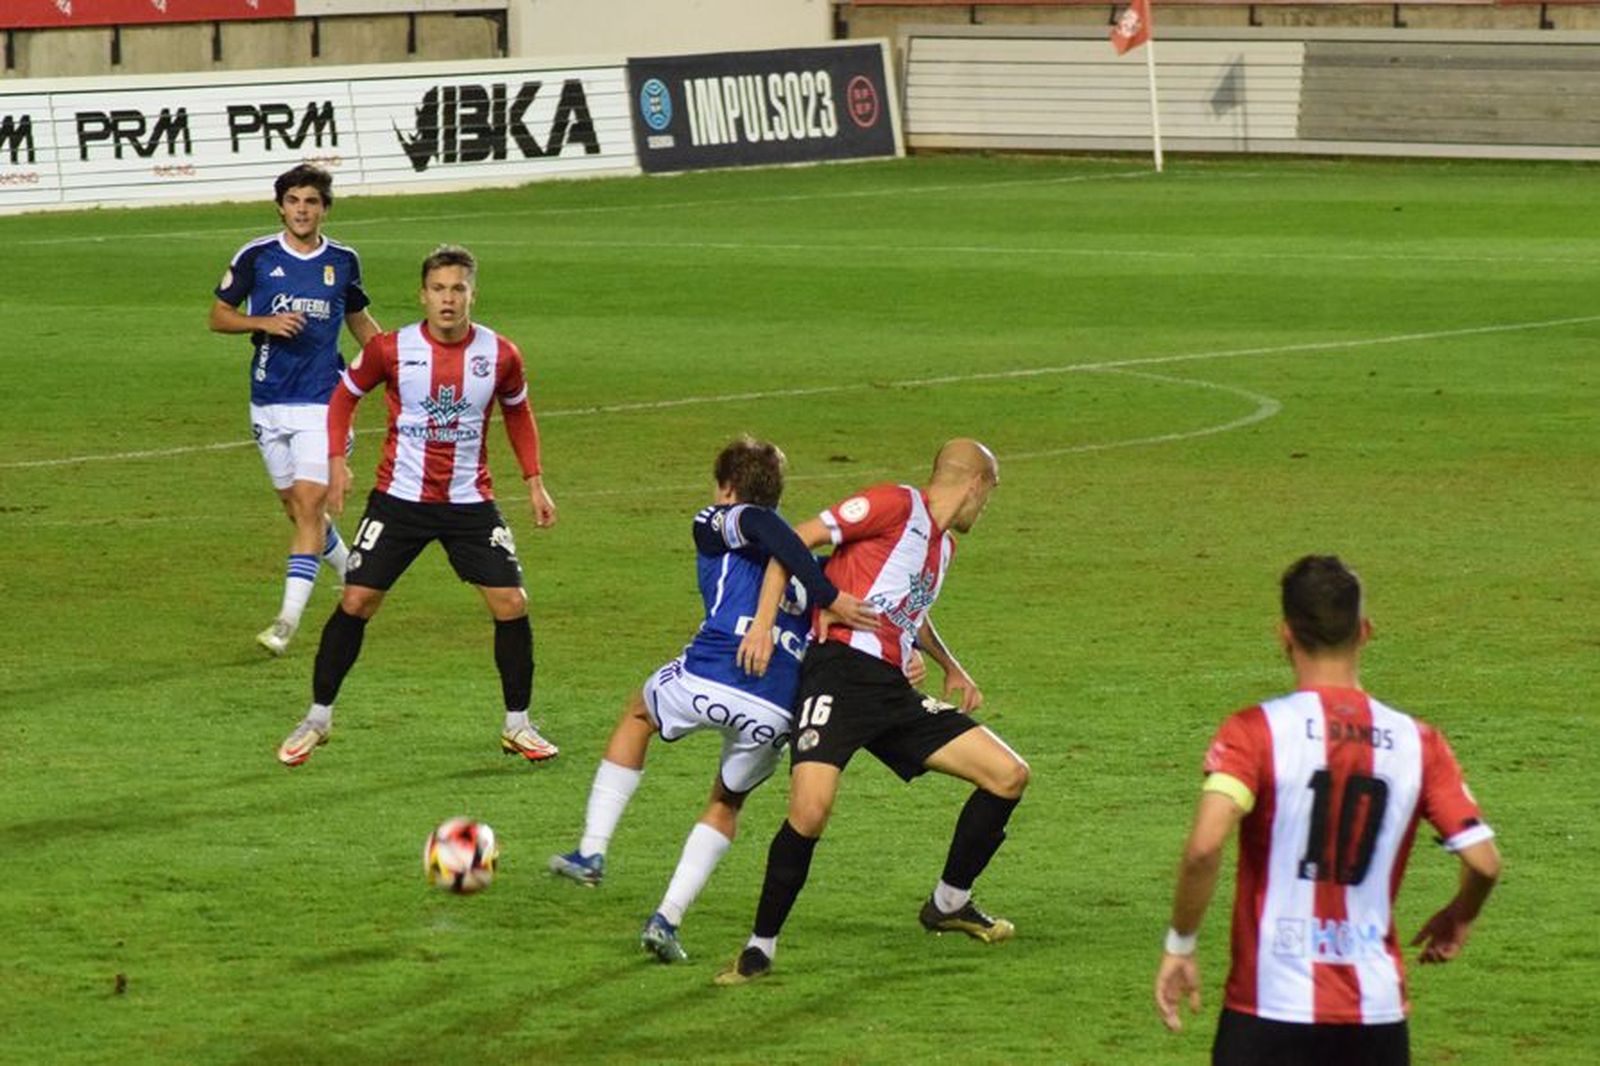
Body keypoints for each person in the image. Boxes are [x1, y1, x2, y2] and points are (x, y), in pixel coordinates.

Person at [1154, 555, 1501, 1066]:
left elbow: (1205, 846)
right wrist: (1460, 914)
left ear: (1285, 634)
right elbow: (1485, 862)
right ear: (1365, 631)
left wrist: (1181, 944)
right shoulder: (1418, 743)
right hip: (1374, 1016)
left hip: (1267, 1009)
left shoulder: (1254, 732)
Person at [548, 436, 879, 964]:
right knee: (727, 801)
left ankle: (591, 850)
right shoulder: (809, 558)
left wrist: (828, 595)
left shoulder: (722, 520)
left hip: (716, 670)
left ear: (726, 487)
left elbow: (763, 525)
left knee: (638, 713)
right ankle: (667, 919)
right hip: (777, 707)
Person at [715, 439, 1031, 984]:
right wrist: (765, 624)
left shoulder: (943, 548)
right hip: (836, 674)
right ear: (975, 483)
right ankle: (758, 948)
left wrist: (949, 665)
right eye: (990, 493)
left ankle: (948, 903)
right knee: (810, 812)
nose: (987, 506)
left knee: (1007, 775)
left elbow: (909, 610)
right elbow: (792, 542)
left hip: (892, 693)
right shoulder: (893, 504)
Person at [275, 245, 559, 768]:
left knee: (512, 604)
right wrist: (337, 461)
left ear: (473, 294)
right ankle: (317, 717)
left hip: (470, 502)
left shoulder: (500, 354)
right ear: (422, 295)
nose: (448, 299)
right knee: (357, 600)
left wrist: (535, 482)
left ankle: (518, 725)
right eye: (439, 289)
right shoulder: (390, 348)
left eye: (458, 289)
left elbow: (519, 415)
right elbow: (343, 397)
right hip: (398, 501)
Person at [209, 164, 382, 656]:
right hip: (268, 402)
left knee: (309, 506)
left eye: (312, 201)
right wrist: (262, 321)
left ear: (324, 208)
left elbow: (358, 318)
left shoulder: (343, 260)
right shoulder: (257, 257)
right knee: (297, 510)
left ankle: (285, 623)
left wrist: (397, 364)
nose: (302, 209)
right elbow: (218, 316)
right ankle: (354, 571)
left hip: (325, 400)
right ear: (281, 206)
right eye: (294, 201)